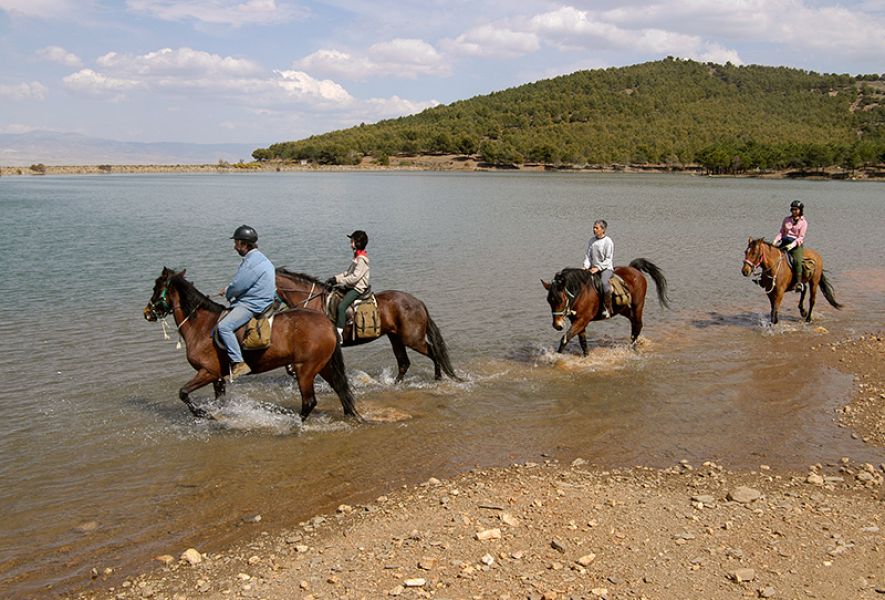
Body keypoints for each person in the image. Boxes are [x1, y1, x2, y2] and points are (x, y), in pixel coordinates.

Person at [217, 225, 275, 380]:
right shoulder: (260, 258)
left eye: (236, 243)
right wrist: (229, 288)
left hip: (254, 303)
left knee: (224, 327)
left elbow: (238, 286)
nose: (234, 247)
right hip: (263, 298)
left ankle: (238, 362)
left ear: (244, 244)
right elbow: (244, 283)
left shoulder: (250, 263)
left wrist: (228, 292)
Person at [326, 230, 370, 344]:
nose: (351, 244)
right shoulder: (357, 257)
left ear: (358, 243)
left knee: (341, 306)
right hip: (352, 286)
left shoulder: (361, 260)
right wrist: (335, 278)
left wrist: (340, 281)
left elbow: (355, 278)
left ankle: (339, 333)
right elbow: (347, 273)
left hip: (357, 289)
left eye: (352, 241)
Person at [773, 200, 807, 292]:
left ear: (800, 210)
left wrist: (792, 245)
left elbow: (801, 237)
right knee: (771, 257)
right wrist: (776, 240)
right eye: (793, 209)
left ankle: (799, 283)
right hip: (784, 242)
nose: (794, 211)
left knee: (797, 261)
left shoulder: (803, 222)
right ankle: (763, 278)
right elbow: (781, 232)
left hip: (796, 245)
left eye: (796, 209)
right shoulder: (786, 219)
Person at [583, 219, 615, 318]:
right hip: (593, 268)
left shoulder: (608, 242)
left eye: (596, 228)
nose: (594, 229)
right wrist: (585, 266)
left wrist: (598, 268)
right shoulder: (591, 241)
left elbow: (608, 259)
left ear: (603, 229)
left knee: (604, 283)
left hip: (606, 269)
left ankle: (607, 308)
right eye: (594, 227)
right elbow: (588, 256)